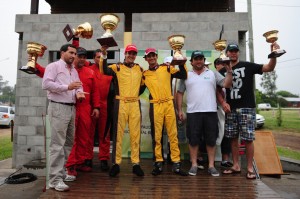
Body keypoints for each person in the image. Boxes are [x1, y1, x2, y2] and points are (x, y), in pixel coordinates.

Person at [220, 42, 279, 179]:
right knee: (233, 138)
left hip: (247, 107)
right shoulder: (223, 70)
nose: (233, 53)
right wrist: (223, 102)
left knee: (248, 139)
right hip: (231, 108)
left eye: (235, 51)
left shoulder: (248, 65)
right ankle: (235, 165)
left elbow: (269, 67)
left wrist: (274, 55)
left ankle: (250, 168)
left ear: (238, 53)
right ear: (227, 53)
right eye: (231, 51)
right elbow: (219, 88)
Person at [176, 50, 232, 176]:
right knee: (193, 139)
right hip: (193, 112)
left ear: (203, 60)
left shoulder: (213, 73)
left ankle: (211, 166)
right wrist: (179, 110)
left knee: (211, 140)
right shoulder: (186, 74)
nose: (199, 61)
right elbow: (180, 93)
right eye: (196, 59)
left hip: (210, 112)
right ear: (191, 62)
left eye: (201, 58)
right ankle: (194, 164)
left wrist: (229, 71)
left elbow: (226, 84)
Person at [42, 43, 86, 192]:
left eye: (75, 54)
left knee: (67, 143)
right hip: (58, 107)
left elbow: (78, 85)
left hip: (71, 107)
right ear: (62, 53)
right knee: (57, 145)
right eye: (71, 53)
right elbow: (46, 84)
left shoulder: (73, 70)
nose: (73, 56)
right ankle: (55, 180)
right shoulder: (53, 66)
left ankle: (60, 174)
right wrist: (67, 88)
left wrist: (79, 92)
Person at [142, 48, 188, 176]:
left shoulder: (166, 68)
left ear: (156, 56)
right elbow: (138, 89)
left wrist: (181, 63)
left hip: (168, 103)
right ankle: (158, 162)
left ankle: (176, 163)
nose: (151, 58)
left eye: (153, 56)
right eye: (148, 56)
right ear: (145, 59)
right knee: (157, 136)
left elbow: (183, 75)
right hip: (156, 105)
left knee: (173, 134)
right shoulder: (144, 74)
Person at [101, 44, 144, 177]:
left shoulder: (140, 69)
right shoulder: (117, 67)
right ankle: (116, 163)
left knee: (135, 134)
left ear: (136, 55)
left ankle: (136, 163)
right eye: (129, 53)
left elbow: (142, 87)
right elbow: (104, 71)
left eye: (134, 53)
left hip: (135, 103)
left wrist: (135, 94)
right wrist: (104, 55)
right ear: (125, 54)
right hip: (121, 103)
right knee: (118, 135)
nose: (131, 55)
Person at [65, 47, 100, 178]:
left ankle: (79, 162)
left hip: (86, 108)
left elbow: (96, 91)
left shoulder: (90, 72)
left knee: (84, 137)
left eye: (84, 57)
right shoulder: (69, 71)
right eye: (80, 56)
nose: (82, 59)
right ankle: (70, 165)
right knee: (71, 137)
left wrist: (96, 107)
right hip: (72, 106)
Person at [88, 48, 114, 171]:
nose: (100, 59)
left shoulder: (109, 71)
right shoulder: (89, 69)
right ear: (94, 58)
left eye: (101, 57)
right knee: (89, 133)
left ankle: (104, 159)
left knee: (105, 134)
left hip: (105, 104)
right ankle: (87, 158)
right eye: (97, 57)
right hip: (92, 105)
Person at [214, 58, 233, 169]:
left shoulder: (231, 71)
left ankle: (225, 160)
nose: (221, 65)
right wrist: (222, 102)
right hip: (217, 108)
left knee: (228, 135)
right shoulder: (215, 75)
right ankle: (206, 159)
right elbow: (217, 91)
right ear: (216, 65)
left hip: (230, 108)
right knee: (215, 133)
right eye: (219, 63)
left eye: (224, 63)